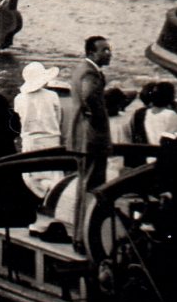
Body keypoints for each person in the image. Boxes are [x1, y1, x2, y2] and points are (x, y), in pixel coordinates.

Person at [65, 36, 114, 244]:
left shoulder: (82, 69)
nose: (109, 53)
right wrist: (97, 119)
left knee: (85, 186)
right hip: (91, 139)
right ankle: (86, 237)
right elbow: (89, 96)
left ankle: (80, 235)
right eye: (104, 50)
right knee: (92, 187)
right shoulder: (90, 73)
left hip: (83, 138)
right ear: (92, 53)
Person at [13, 62, 64, 201]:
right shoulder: (52, 96)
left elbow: (18, 120)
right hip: (51, 138)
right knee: (54, 174)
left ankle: (39, 199)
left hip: (30, 140)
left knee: (32, 175)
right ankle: (52, 200)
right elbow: (58, 118)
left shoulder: (19, 99)